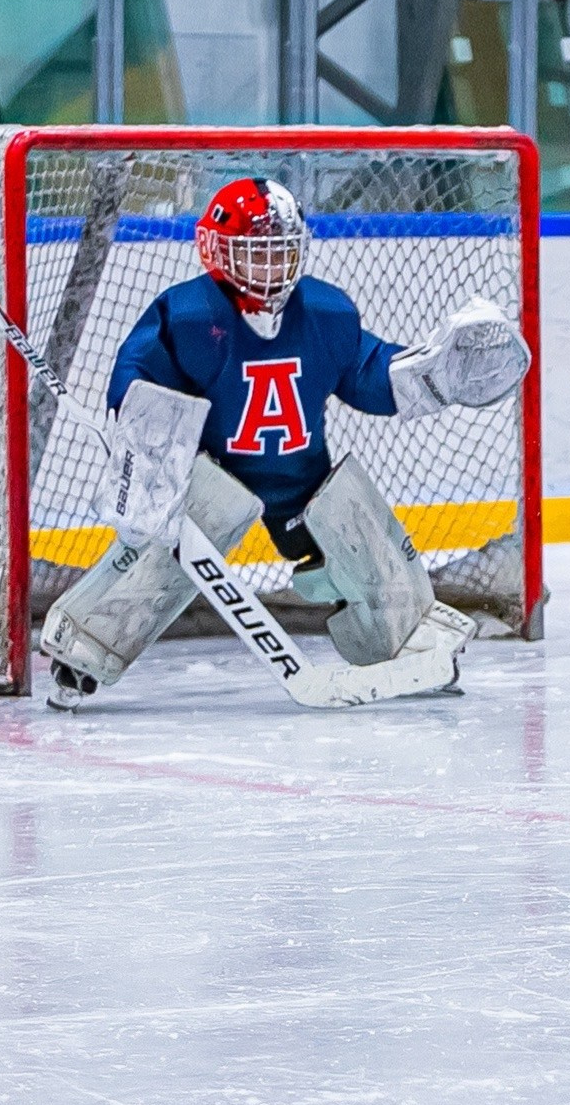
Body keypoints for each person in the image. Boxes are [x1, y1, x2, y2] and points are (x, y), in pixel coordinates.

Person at [38, 177, 529, 708]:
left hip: (303, 482)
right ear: (217, 251)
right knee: (162, 557)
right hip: (215, 477)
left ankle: (408, 644)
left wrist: (433, 376)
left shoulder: (325, 313)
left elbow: (368, 371)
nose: (271, 268)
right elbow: (140, 378)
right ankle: (84, 648)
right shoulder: (186, 317)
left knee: (362, 532)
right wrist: (145, 444)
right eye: (256, 254)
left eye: (281, 253)